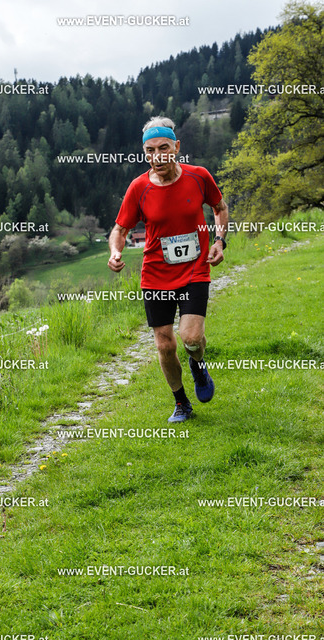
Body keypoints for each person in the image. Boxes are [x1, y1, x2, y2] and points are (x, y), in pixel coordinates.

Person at [108, 116, 228, 423]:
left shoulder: (199, 176)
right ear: (144, 153)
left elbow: (219, 208)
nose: (157, 156)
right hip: (156, 275)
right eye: (150, 150)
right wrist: (115, 251)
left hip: (195, 270)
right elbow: (120, 229)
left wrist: (219, 240)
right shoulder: (139, 187)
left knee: (191, 339)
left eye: (163, 148)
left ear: (176, 147)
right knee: (164, 343)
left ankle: (198, 365)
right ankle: (181, 403)